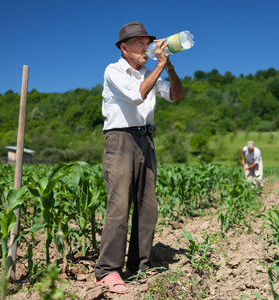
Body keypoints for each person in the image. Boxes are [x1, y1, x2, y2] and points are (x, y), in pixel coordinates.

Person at [94, 21, 185, 294]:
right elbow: (137, 95)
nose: (146, 47)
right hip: (120, 140)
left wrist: (168, 66)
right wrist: (158, 67)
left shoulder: (149, 72)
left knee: (148, 207)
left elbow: (177, 95)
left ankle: (139, 265)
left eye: (147, 42)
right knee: (119, 205)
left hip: (146, 139)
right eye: (140, 43)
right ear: (124, 47)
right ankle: (108, 270)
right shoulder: (114, 71)